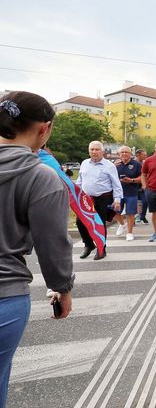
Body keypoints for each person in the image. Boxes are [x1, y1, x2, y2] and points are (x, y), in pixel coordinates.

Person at [0, 91, 74, 408]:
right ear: (44, 129)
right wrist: (62, 288)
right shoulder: (40, 177)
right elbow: (52, 243)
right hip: (5, 295)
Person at [75, 141, 123, 260]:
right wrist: (76, 193)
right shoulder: (84, 163)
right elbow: (80, 181)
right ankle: (89, 245)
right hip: (86, 198)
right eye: (92, 149)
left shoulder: (109, 165)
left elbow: (116, 184)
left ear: (102, 151)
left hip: (102, 198)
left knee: (99, 224)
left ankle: (102, 249)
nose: (94, 152)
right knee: (80, 222)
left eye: (97, 150)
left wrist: (117, 200)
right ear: (89, 151)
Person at [114, 146, 142, 241]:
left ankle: (129, 233)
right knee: (113, 211)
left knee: (130, 213)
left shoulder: (137, 164)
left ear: (130, 154)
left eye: (126, 152)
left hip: (131, 192)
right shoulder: (115, 165)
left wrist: (132, 180)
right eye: (122, 152)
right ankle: (122, 224)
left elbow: (142, 178)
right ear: (119, 154)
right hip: (117, 193)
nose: (124, 154)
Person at [135, 148, 149, 224]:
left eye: (146, 155)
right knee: (135, 202)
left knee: (145, 201)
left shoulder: (145, 163)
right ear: (138, 155)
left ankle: (142, 216)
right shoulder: (133, 163)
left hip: (143, 186)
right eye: (144, 155)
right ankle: (137, 216)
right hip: (134, 186)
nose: (145, 156)